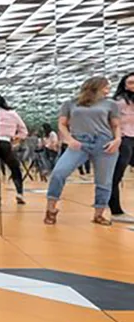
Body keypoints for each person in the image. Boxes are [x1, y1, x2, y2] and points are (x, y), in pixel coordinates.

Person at [44, 77, 123, 225]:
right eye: (106, 87)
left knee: (104, 181)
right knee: (59, 172)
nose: (108, 90)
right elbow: (62, 124)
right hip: (79, 142)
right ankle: (51, 209)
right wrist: (69, 139)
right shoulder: (71, 104)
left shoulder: (110, 104)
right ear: (95, 87)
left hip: (104, 143)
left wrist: (117, 140)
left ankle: (99, 214)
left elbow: (116, 125)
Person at [108, 73, 134, 223]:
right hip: (123, 140)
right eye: (130, 83)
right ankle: (116, 211)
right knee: (116, 175)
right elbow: (110, 122)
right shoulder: (118, 103)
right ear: (124, 85)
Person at [0, 95, 28, 205]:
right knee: (15, 168)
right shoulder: (12, 114)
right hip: (5, 143)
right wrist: (15, 138)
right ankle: (20, 192)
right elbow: (24, 131)